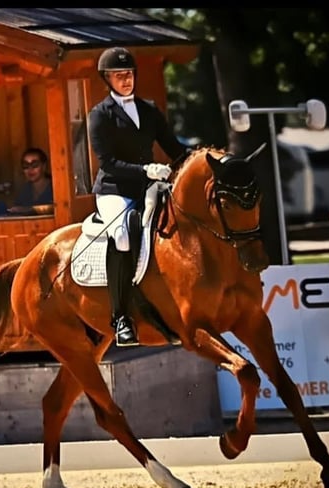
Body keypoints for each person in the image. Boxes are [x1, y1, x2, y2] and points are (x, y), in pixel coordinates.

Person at [88, 46, 190, 347]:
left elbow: (175, 149)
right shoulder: (100, 115)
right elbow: (107, 163)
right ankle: (120, 317)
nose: (126, 80)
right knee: (121, 235)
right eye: (119, 76)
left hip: (149, 187)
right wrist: (146, 170)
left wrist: (202, 160)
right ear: (107, 79)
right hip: (114, 190)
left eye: (129, 74)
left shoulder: (148, 110)